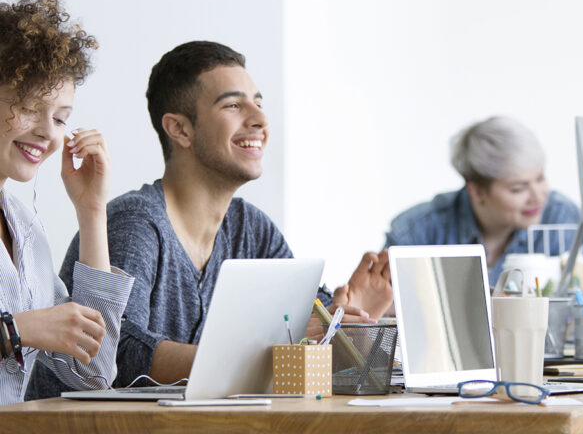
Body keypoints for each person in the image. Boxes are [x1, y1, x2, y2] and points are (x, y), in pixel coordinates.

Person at [25, 41, 390, 398]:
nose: (260, 119)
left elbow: (309, 316)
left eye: (259, 103)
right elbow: (117, 350)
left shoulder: (251, 228)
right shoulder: (134, 223)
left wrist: (347, 322)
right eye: (234, 104)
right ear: (180, 129)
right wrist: (262, 357)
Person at [0, 0, 134, 404]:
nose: (47, 131)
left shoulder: (23, 227)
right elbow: (23, 331)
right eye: (29, 107)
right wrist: (16, 331)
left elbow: (92, 371)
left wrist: (91, 211)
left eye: (60, 118)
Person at [385, 116, 581, 288]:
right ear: (477, 191)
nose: (538, 196)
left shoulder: (563, 218)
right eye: (518, 189)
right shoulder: (418, 231)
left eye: (540, 179)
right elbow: (379, 311)